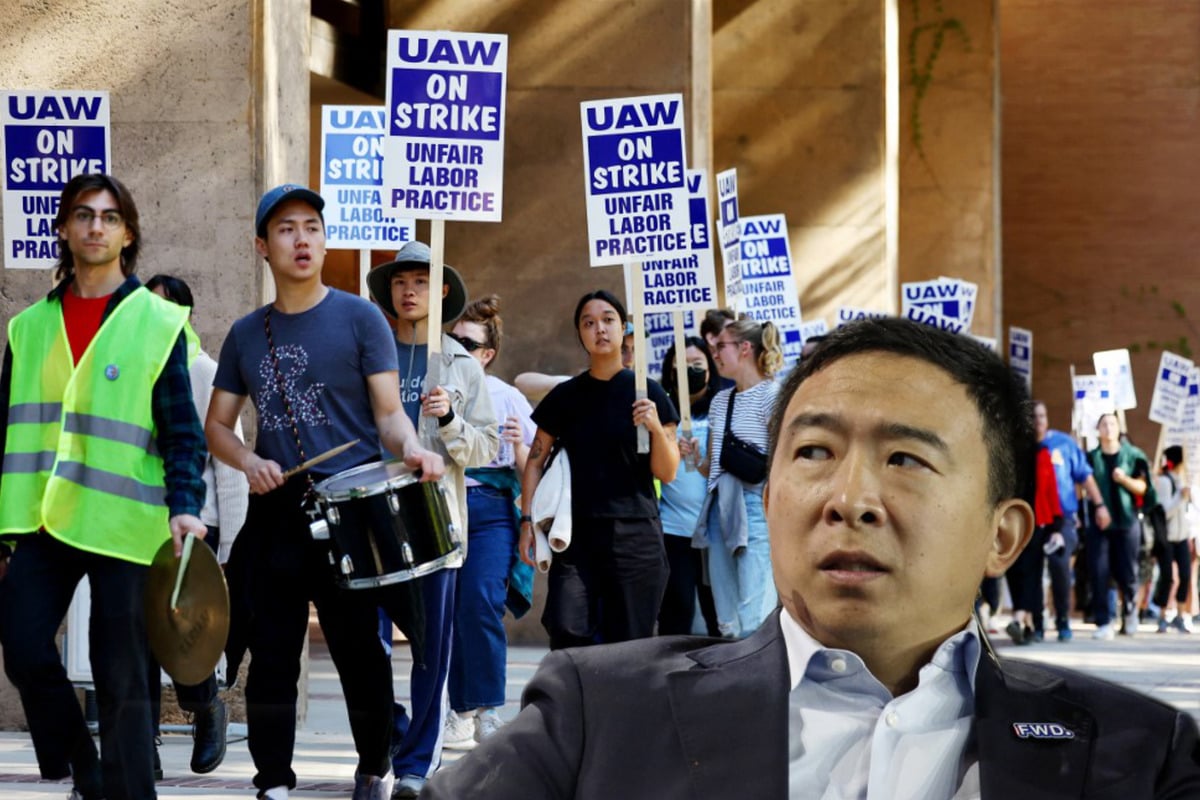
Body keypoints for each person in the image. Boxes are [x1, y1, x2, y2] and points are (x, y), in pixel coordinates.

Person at [423, 316, 1200, 799]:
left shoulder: (1142, 757)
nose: (849, 498)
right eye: (817, 451)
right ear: (771, 497)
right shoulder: (597, 715)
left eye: (906, 460)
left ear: (1004, 535)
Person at [205, 184, 444, 800]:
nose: (302, 238)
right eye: (286, 229)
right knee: (273, 651)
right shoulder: (244, 335)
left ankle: (373, 767)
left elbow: (389, 414)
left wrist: (413, 448)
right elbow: (217, 427)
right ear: (263, 246)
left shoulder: (362, 318)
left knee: (360, 651)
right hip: (278, 510)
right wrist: (250, 460)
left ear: (325, 237)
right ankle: (273, 782)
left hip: (353, 510)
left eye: (311, 226)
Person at [0, 173, 207, 800]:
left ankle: (128, 793)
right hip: (40, 518)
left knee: (124, 676)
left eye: (109, 217)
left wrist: (186, 507)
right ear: (62, 229)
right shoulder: (27, 327)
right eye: (83, 215)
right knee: (25, 648)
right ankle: (85, 771)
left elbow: (181, 431)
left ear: (128, 232)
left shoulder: (158, 321)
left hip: (125, 522)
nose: (95, 226)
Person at [364, 241, 498, 797]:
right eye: (400, 282)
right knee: (366, 649)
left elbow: (488, 449)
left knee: (430, 653)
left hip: (438, 525)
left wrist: (450, 424)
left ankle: (416, 765)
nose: (409, 290)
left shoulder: (462, 365)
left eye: (421, 280)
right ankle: (386, 739)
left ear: (441, 291)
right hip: (372, 522)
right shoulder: (371, 354)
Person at [518, 290, 680, 649]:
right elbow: (534, 461)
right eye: (588, 323)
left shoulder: (648, 392)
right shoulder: (566, 395)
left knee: (631, 640)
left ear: (623, 328)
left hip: (636, 530)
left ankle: (626, 705)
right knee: (567, 628)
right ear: (580, 334)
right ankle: (578, 706)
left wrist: (655, 428)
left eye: (608, 320)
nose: (600, 329)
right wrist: (527, 521)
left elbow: (667, 473)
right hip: (576, 535)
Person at [144, 273, 251, 776]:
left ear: (187, 317)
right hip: (135, 527)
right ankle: (144, 744)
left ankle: (207, 706)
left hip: (195, 527)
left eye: (167, 308)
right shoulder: (131, 369)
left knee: (183, 638)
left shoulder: (202, 369)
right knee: (137, 639)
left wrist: (231, 541)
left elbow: (228, 463)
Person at [441, 294, 536, 748]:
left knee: (480, 602)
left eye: (468, 342)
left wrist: (520, 451)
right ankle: (460, 709)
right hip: (441, 505)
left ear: (487, 353)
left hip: (490, 511)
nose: (458, 348)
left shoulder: (507, 398)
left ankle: (487, 707)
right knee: (449, 609)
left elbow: (535, 471)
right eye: (452, 339)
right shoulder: (435, 386)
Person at [693, 318, 784, 638]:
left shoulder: (773, 396)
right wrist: (695, 457)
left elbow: (782, 462)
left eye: (720, 346)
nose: (714, 354)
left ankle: (759, 680)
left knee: (754, 608)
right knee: (727, 615)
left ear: (745, 348)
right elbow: (712, 469)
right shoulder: (721, 401)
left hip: (755, 507)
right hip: (720, 505)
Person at [659, 335, 721, 636]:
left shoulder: (725, 406)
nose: (691, 370)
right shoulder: (659, 408)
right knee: (677, 610)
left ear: (710, 367)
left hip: (715, 530)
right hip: (673, 530)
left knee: (718, 613)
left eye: (697, 363)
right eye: (682, 365)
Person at [1033, 400, 1110, 641]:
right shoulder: (1020, 446)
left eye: (1042, 416)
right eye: (1034, 417)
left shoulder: (1064, 444)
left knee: (1059, 563)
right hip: (1033, 517)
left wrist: (1099, 506)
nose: (1039, 422)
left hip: (1062, 518)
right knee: (1032, 567)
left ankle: (1062, 619)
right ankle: (1036, 622)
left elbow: (1085, 477)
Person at [1087, 412, 1151, 640]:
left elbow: (1143, 487)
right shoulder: (1091, 457)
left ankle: (1130, 612)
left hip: (1127, 521)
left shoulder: (1133, 455)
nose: (1108, 427)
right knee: (1099, 571)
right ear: (1098, 430)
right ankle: (1104, 622)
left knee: (1128, 572)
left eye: (1112, 423)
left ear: (1119, 427)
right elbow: (1083, 484)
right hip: (1100, 523)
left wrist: (1124, 479)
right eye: (1103, 423)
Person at [1003, 442, 1062, 645]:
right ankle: (1028, 625)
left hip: (1037, 521)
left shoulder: (1043, 453)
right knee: (1014, 570)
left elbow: (1051, 490)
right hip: (1010, 519)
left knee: (1029, 571)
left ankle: (1018, 617)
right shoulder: (1009, 450)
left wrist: (1056, 525)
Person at [1153, 445, 1193, 633]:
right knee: (1167, 577)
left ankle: (1180, 613)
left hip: (1182, 536)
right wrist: (1180, 497)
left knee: (1185, 575)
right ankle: (1162, 615)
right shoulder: (1164, 481)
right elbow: (1165, 511)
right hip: (1167, 538)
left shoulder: (1181, 481)